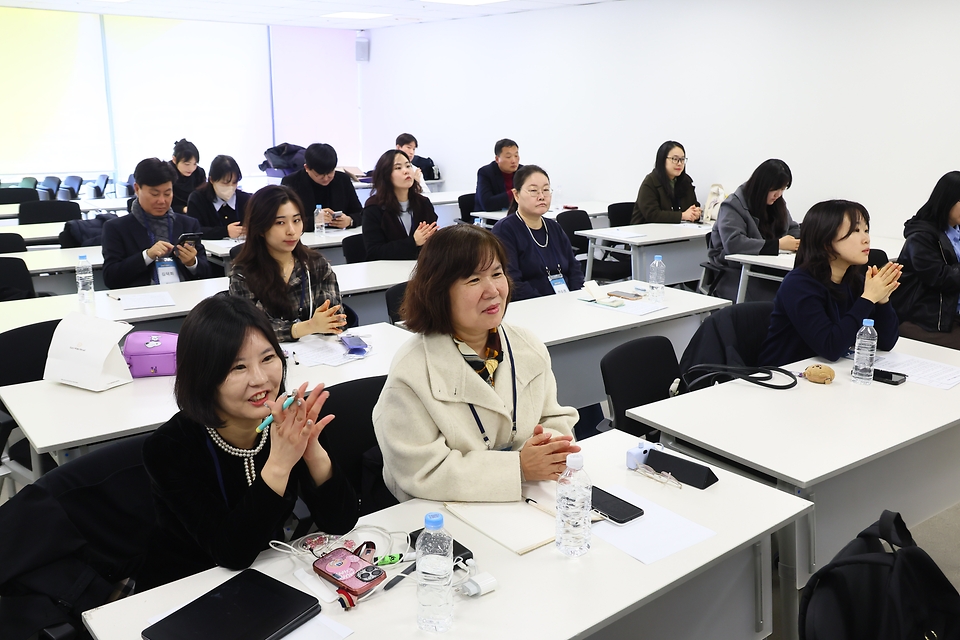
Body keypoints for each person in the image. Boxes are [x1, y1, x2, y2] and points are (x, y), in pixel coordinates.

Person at [137, 295, 359, 590]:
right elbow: (232, 553)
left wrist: (312, 450)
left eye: (268, 358)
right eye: (237, 367)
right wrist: (280, 463)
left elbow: (340, 522)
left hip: (271, 574)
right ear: (203, 377)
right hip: (188, 586)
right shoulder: (170, 448)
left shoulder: (288, 420)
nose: (260, 379)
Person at [373, 224, 580, 503]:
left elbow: (554, 417)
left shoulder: (526, 344)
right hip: (443, 511)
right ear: (438, 290)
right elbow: (420, 471)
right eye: (473, 280)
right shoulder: (411, 371)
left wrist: (549, 450)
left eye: (497, 274)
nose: (493, 290)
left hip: (529, 497)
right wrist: (518, 467)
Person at [759, 200, 900, 367]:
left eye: (866, 230)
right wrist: (868, 299)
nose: (866, 239)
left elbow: (885, 343)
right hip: (785, 376)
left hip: (828, 377)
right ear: (826, 241)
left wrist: (882, 300)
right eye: (855, 230)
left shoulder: (854, 281)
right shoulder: (799, 284)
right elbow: (831, 348)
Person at [229, 185, 346, 342]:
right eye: (280, 223)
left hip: (318, 355)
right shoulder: (243, 274)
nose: (291, 230)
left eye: (296, 220)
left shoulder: (316, 265)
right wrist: (307, 327)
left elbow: (334, 319)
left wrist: (329, 322)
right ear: (261, 228)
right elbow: (252, 329)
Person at [102, 157, 212, 289]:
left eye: (167, 193)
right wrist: (147, 256)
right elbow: (110, 278)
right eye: (154, 194)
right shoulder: (116, 228)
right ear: (137, 189)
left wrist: (192, 263)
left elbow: (206, 273)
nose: (161, 201)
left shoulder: (188, 224)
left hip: (184, 296)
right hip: (141, 300)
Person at [707, 159, 801, 301]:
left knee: (801, 292)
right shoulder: (733, 205)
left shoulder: (776, 203)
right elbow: (734, 243)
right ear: (762, 186)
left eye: (783, 189)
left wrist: (797, 241)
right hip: (734, 272)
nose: (779, 194)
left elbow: (793, 228)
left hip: (766, 268)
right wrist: (778, 245)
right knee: (780, 300)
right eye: (775, 189)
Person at [491, 165, 584, 300]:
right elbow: (511, 281)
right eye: (533, 191)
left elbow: (574, 268)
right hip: (530, 305)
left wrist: (574, 297)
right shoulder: (505, 230)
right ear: (516, 195)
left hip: (565, 302)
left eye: (546, 190)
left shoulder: (553, 227)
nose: (541, 196)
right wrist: (546, 303)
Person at [890, 172, 960, 349]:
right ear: (947, 201)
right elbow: (941, 278)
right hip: (930, 321)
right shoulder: (921, 237)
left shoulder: (957, 230)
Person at [361, 149, 438, 260]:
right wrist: (413, 242)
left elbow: (433, 244)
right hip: (386, 271)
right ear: (386, 175)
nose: (406, 171)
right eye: (398, 168)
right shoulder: (374, 207)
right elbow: (374, 252)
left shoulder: (423, 203)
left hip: (421, 269)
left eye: (408, 166)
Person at [281, 143, 362, 232]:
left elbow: (360, 213)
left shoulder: (343, 180)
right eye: (320, 175)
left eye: (330, 173)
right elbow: (284, 219)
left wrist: (350, 220)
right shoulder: (291, 182)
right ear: (307, 168)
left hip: (338, 237)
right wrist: (314, 221)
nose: (326, 178)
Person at [631, 141, 701, 224]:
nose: (679, 163)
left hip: (678, 232)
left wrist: (696, 213)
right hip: (649, 233)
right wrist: (682, 215)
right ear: (662, 160)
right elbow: (652, 214)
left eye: (682, 159)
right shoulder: (650, 182)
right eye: (675, 159)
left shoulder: (685, 181)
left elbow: (693, 206)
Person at [186, 154, 251, 240]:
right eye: (225, 183)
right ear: (212, 180)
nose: (231, 187)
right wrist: (225, 231)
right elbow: (193, 230)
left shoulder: (246, 199)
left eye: (234, 183)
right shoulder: (198, 199)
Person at [475, 138, 523, 211]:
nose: (514, 160)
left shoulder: (523, 172)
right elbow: (487, 204)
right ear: (497, 159)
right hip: (490, 219)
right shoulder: (486, 172)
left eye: (516, 156)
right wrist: (514, 193)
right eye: (508, 157)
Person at [169, 139, 206, 214]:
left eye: (195, 164)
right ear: (174, 160)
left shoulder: (199, 173)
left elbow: (203, 198)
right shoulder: (166, 173)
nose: (191, 168)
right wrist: (183, 209)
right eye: (187, 164)